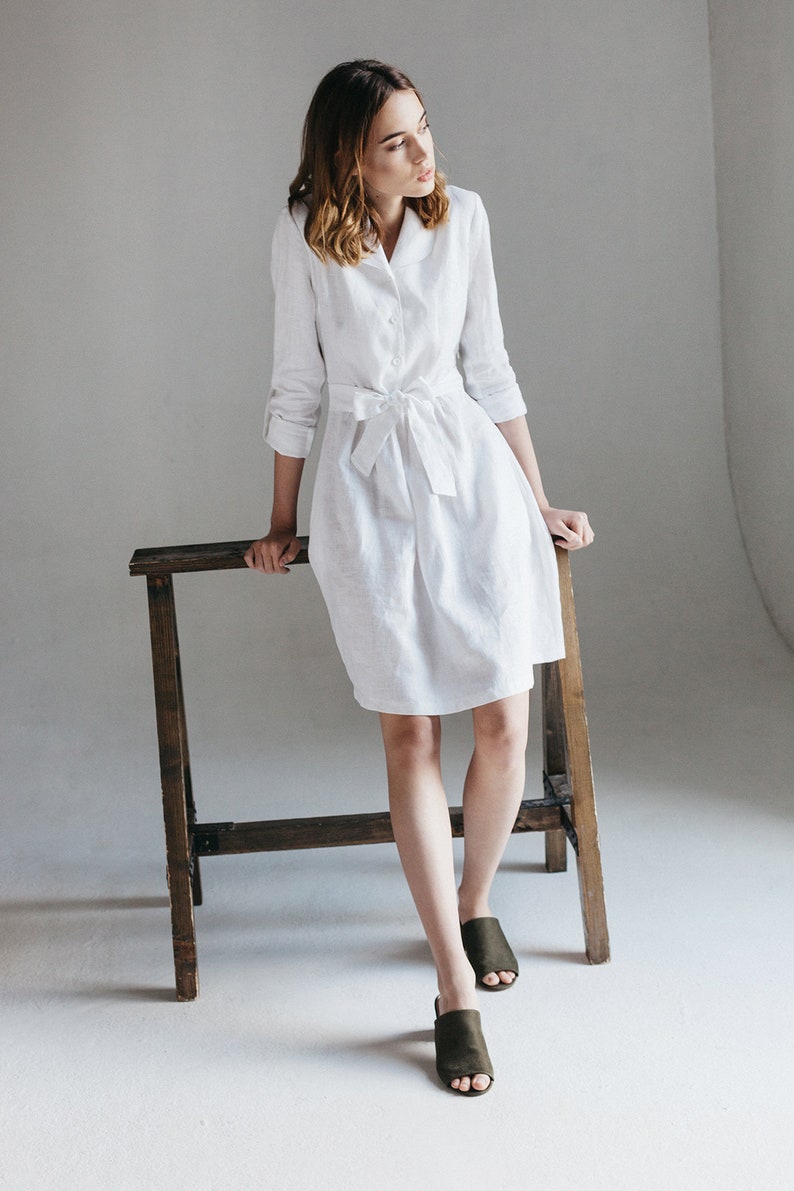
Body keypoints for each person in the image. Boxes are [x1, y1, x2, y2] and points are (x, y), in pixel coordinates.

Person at [244, 59, 594, 1096]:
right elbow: (297, 382)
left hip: (473, 484)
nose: (422, 153)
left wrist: (533, 505)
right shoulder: (304, 231)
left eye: (423, 129)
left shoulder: (463, 217)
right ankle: (451, 983)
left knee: (500, 717)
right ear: (348, 152)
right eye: (395, 140)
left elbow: (487, 367)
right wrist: (275, 524)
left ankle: (472, 896)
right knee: (408, 730)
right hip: (365, 495)